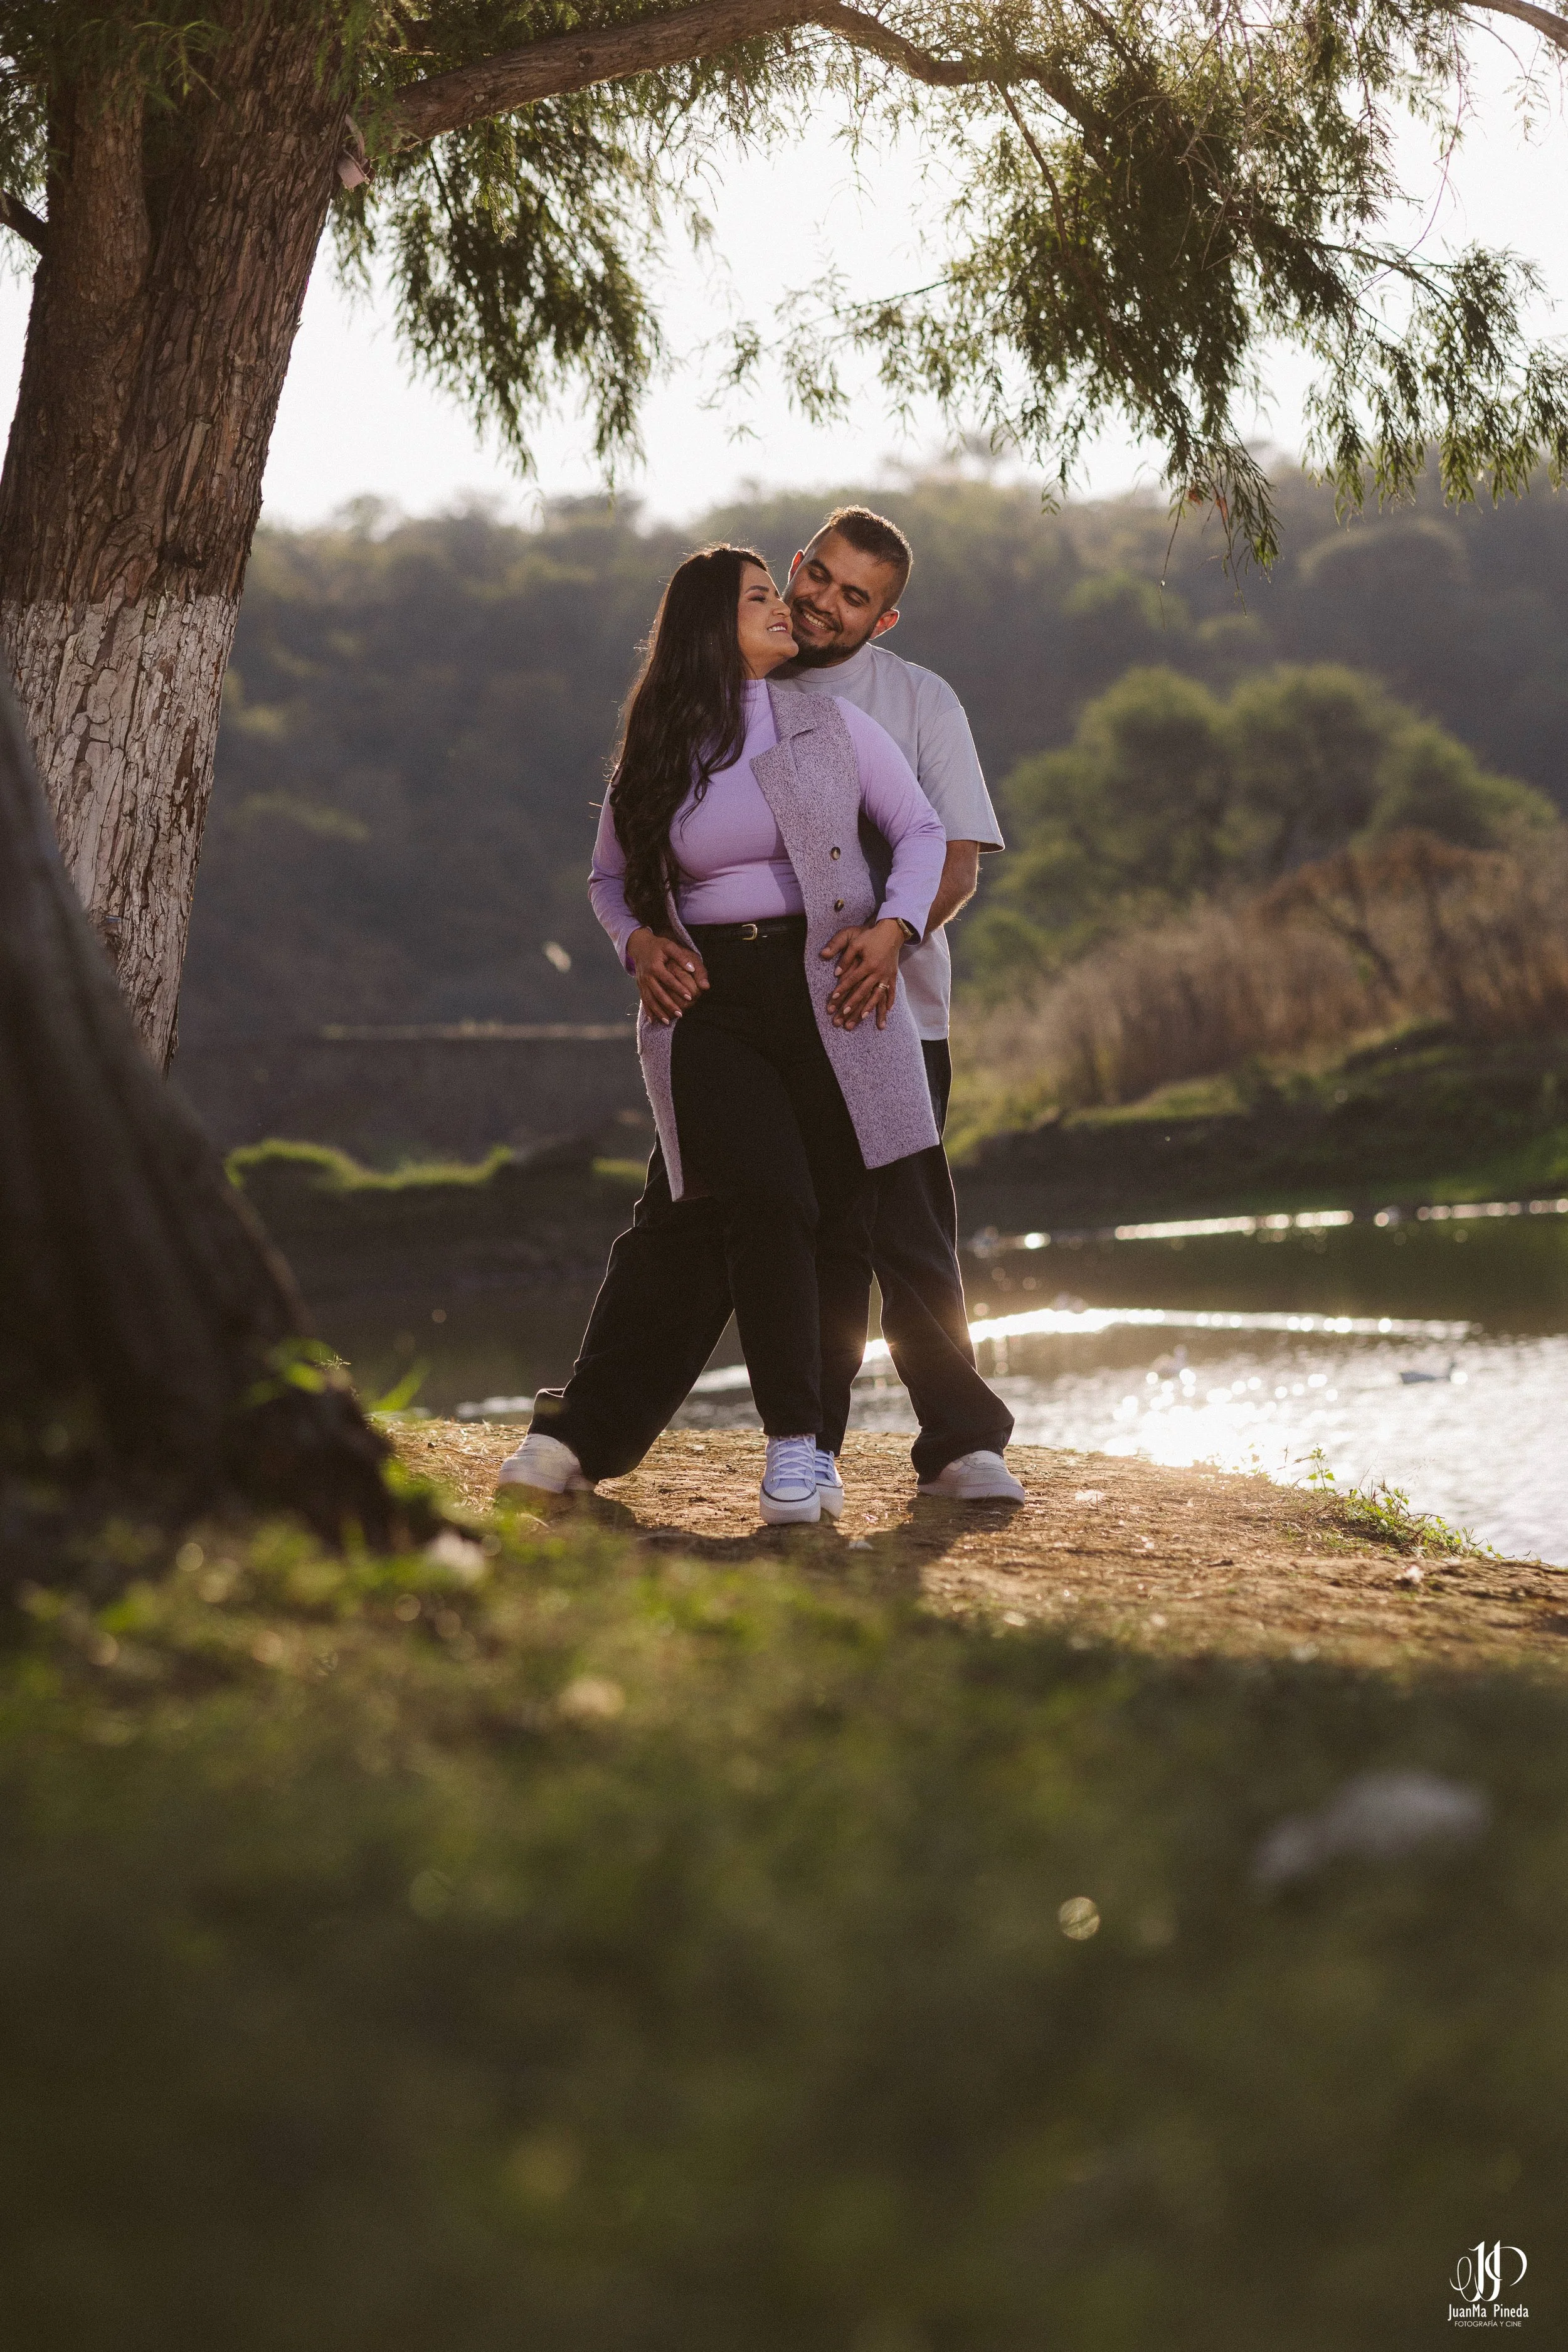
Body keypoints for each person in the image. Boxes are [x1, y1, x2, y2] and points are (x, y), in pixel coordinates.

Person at [500, 507, 1023, 1510]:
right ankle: (589, 1432)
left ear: (886, 619)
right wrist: (646, 939)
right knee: (695, 1215)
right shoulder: (721, 696)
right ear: (793, 570)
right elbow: (622, 869)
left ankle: (954, 1441)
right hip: (737, 1010)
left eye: (853, 595)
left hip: (887, 1009)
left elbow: (947, 850)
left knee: (899, 1228)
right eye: (814, 578)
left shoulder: (906, 702)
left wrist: (892, 940)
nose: (821, 602)